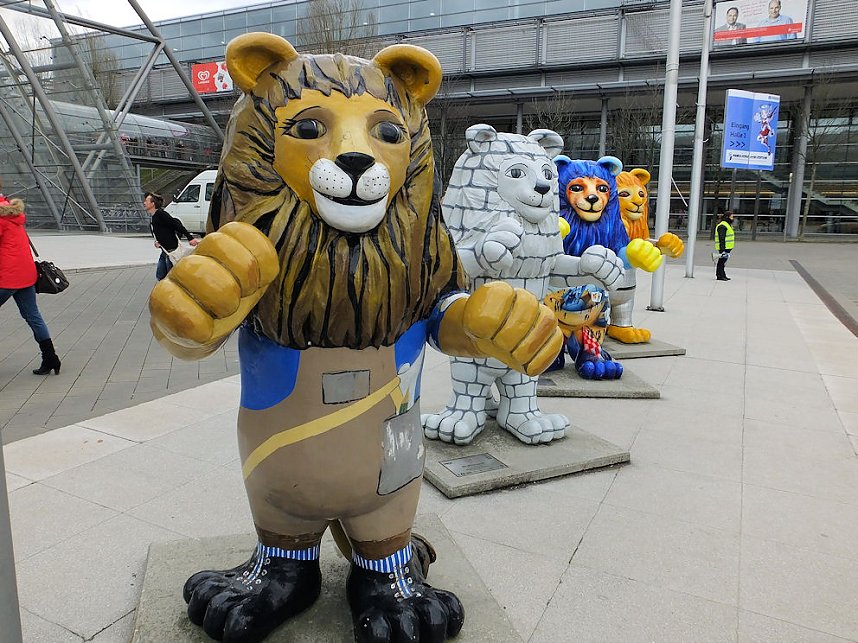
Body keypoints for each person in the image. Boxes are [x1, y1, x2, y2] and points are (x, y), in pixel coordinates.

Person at [0, 190, 61, 375]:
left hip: (7, 277)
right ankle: (50, 358)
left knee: (33, 315)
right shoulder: (14, 214)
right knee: (33, 316)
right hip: (26, 275)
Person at [144, 191, 199, 280]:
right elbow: (159, 232)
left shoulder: (161, 214)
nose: (144, 203)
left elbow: (176, 224)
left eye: (146, 201)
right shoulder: (153, 217)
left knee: (171, 277)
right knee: (160, 275)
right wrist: (157, 242)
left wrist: (190, 238)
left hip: (172, 251)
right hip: (165, 252)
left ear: (153, 204)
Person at [715, 211, 736, 281]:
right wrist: (722, 249)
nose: (733, 218)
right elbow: (721, 238)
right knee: (721, 262)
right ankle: (720, 275)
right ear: (727, 217)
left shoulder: (727, 225)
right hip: (724, 247)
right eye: (731, 217)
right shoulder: (723, 226)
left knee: (723, 261)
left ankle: (722, 274)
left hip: (727, 247)